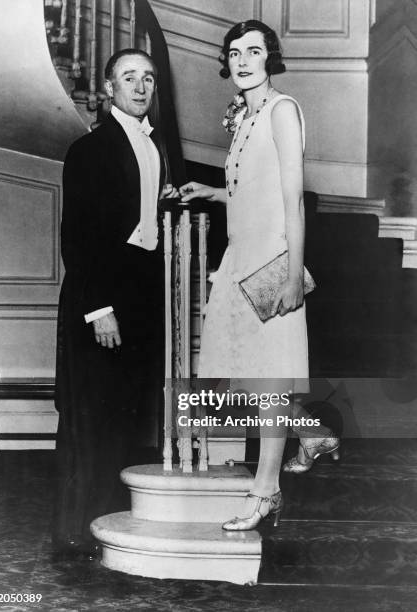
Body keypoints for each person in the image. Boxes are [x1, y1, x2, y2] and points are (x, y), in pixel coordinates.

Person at [180, 20, 339, 530]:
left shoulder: (282, 109)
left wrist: (293, 275)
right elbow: (256, 190)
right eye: (234, 52)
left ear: (270, 57)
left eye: (254, 51)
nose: (243, 60)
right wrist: (214, 194)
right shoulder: (242, 115)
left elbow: (292, 199)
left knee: (269, 378)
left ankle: (265, 492)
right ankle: (310, 433)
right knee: (243, 373)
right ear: (226, 62)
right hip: (237, 257)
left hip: (272, 260)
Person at [53, 48, 178, 557]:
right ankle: (72, 534)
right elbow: (78, 237)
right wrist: (98, 308)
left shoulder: (156, 146)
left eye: (148, 77)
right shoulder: (90, 148)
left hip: (139, 295)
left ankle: (107, 529)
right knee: (89, 420)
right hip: (98, 298)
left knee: (123, 420)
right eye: (129, 77)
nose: (141, 85)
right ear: (108, 89)